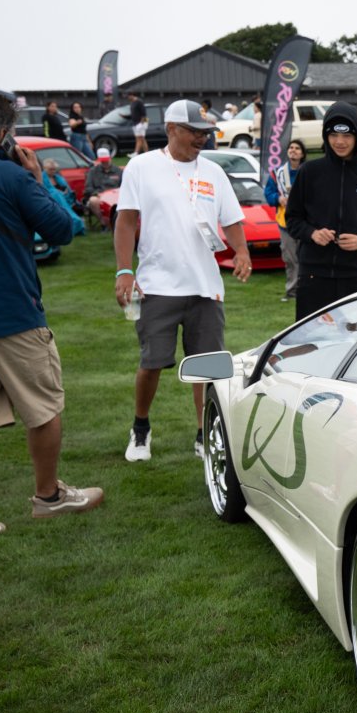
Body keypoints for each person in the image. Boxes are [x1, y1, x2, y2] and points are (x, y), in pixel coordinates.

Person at [0, 92, 103, 546]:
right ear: (3, 134)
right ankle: (47, 497)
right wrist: (37, 180)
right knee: (44, 407)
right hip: (11, 311)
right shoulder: (12, 176)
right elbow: (64, 229)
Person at [114, 100, 252, 462]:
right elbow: (126, 220)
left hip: (206, 288)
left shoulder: (213, 171)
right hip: (156, 285)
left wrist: (241, 252)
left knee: (206, 367)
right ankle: (140, 428)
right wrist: (124, 270)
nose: (201, 139)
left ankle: (203, 434)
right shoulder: (141, 167)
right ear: (171, 128)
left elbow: (232, 219)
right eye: (195, 132)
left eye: (205, 133)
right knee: (151, 362)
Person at [285, 103, 357, 320]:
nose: (340, 142)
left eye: (347, 136)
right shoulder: (309, 172)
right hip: (314, 276)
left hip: (356, 278)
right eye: (333, 135)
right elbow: (292, 219)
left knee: (355, 342)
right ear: (326, 136)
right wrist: (312, 233)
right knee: (310, 342)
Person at [266, 138, 306, 302]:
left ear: (303, 153)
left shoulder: (308, 172)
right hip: (286, 223)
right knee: (290, 258)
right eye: (291, 147)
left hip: (306, 222)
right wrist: (278, 198)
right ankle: (291, 291)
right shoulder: (277, 174)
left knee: (305, 257)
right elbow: (268, 194)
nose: (293, 150)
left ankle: (305, 289)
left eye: (297, 148)